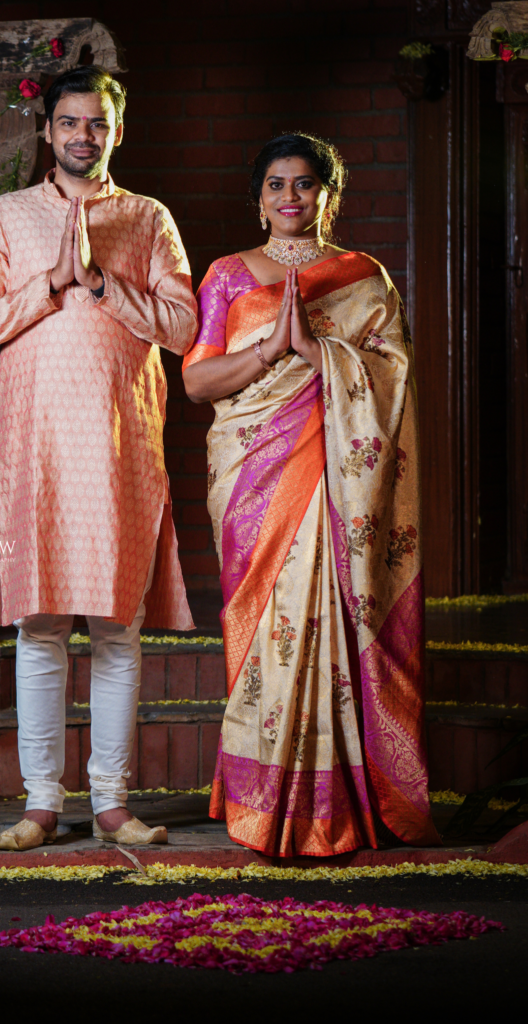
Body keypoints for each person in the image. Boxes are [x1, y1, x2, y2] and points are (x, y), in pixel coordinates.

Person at [0, 65, 197, 851]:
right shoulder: (4, 216)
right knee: (40, 625)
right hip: (35, 447)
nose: (82, 137)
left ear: (117, 129)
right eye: (69, 123)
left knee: (117, 630)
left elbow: (183, 327)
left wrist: (99, 281)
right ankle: (39, 803)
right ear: (47, 129)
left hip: (119, 445)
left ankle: (113, 805)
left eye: (97, 123)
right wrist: (49, 282)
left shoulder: (147, 217)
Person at [183, 132, 439, 858]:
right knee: (267, 621)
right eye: (274, 185)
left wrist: (316, 351)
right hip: (253, 478)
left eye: (303, 184)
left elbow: (392, 379)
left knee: (334, 611)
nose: (288, 197)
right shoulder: (228, 275)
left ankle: (343, 803)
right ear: (257, 198)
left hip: (336, 479)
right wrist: (267, 350)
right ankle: (265, 801)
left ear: (330, 194)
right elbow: (198, 382)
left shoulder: (363, 276)